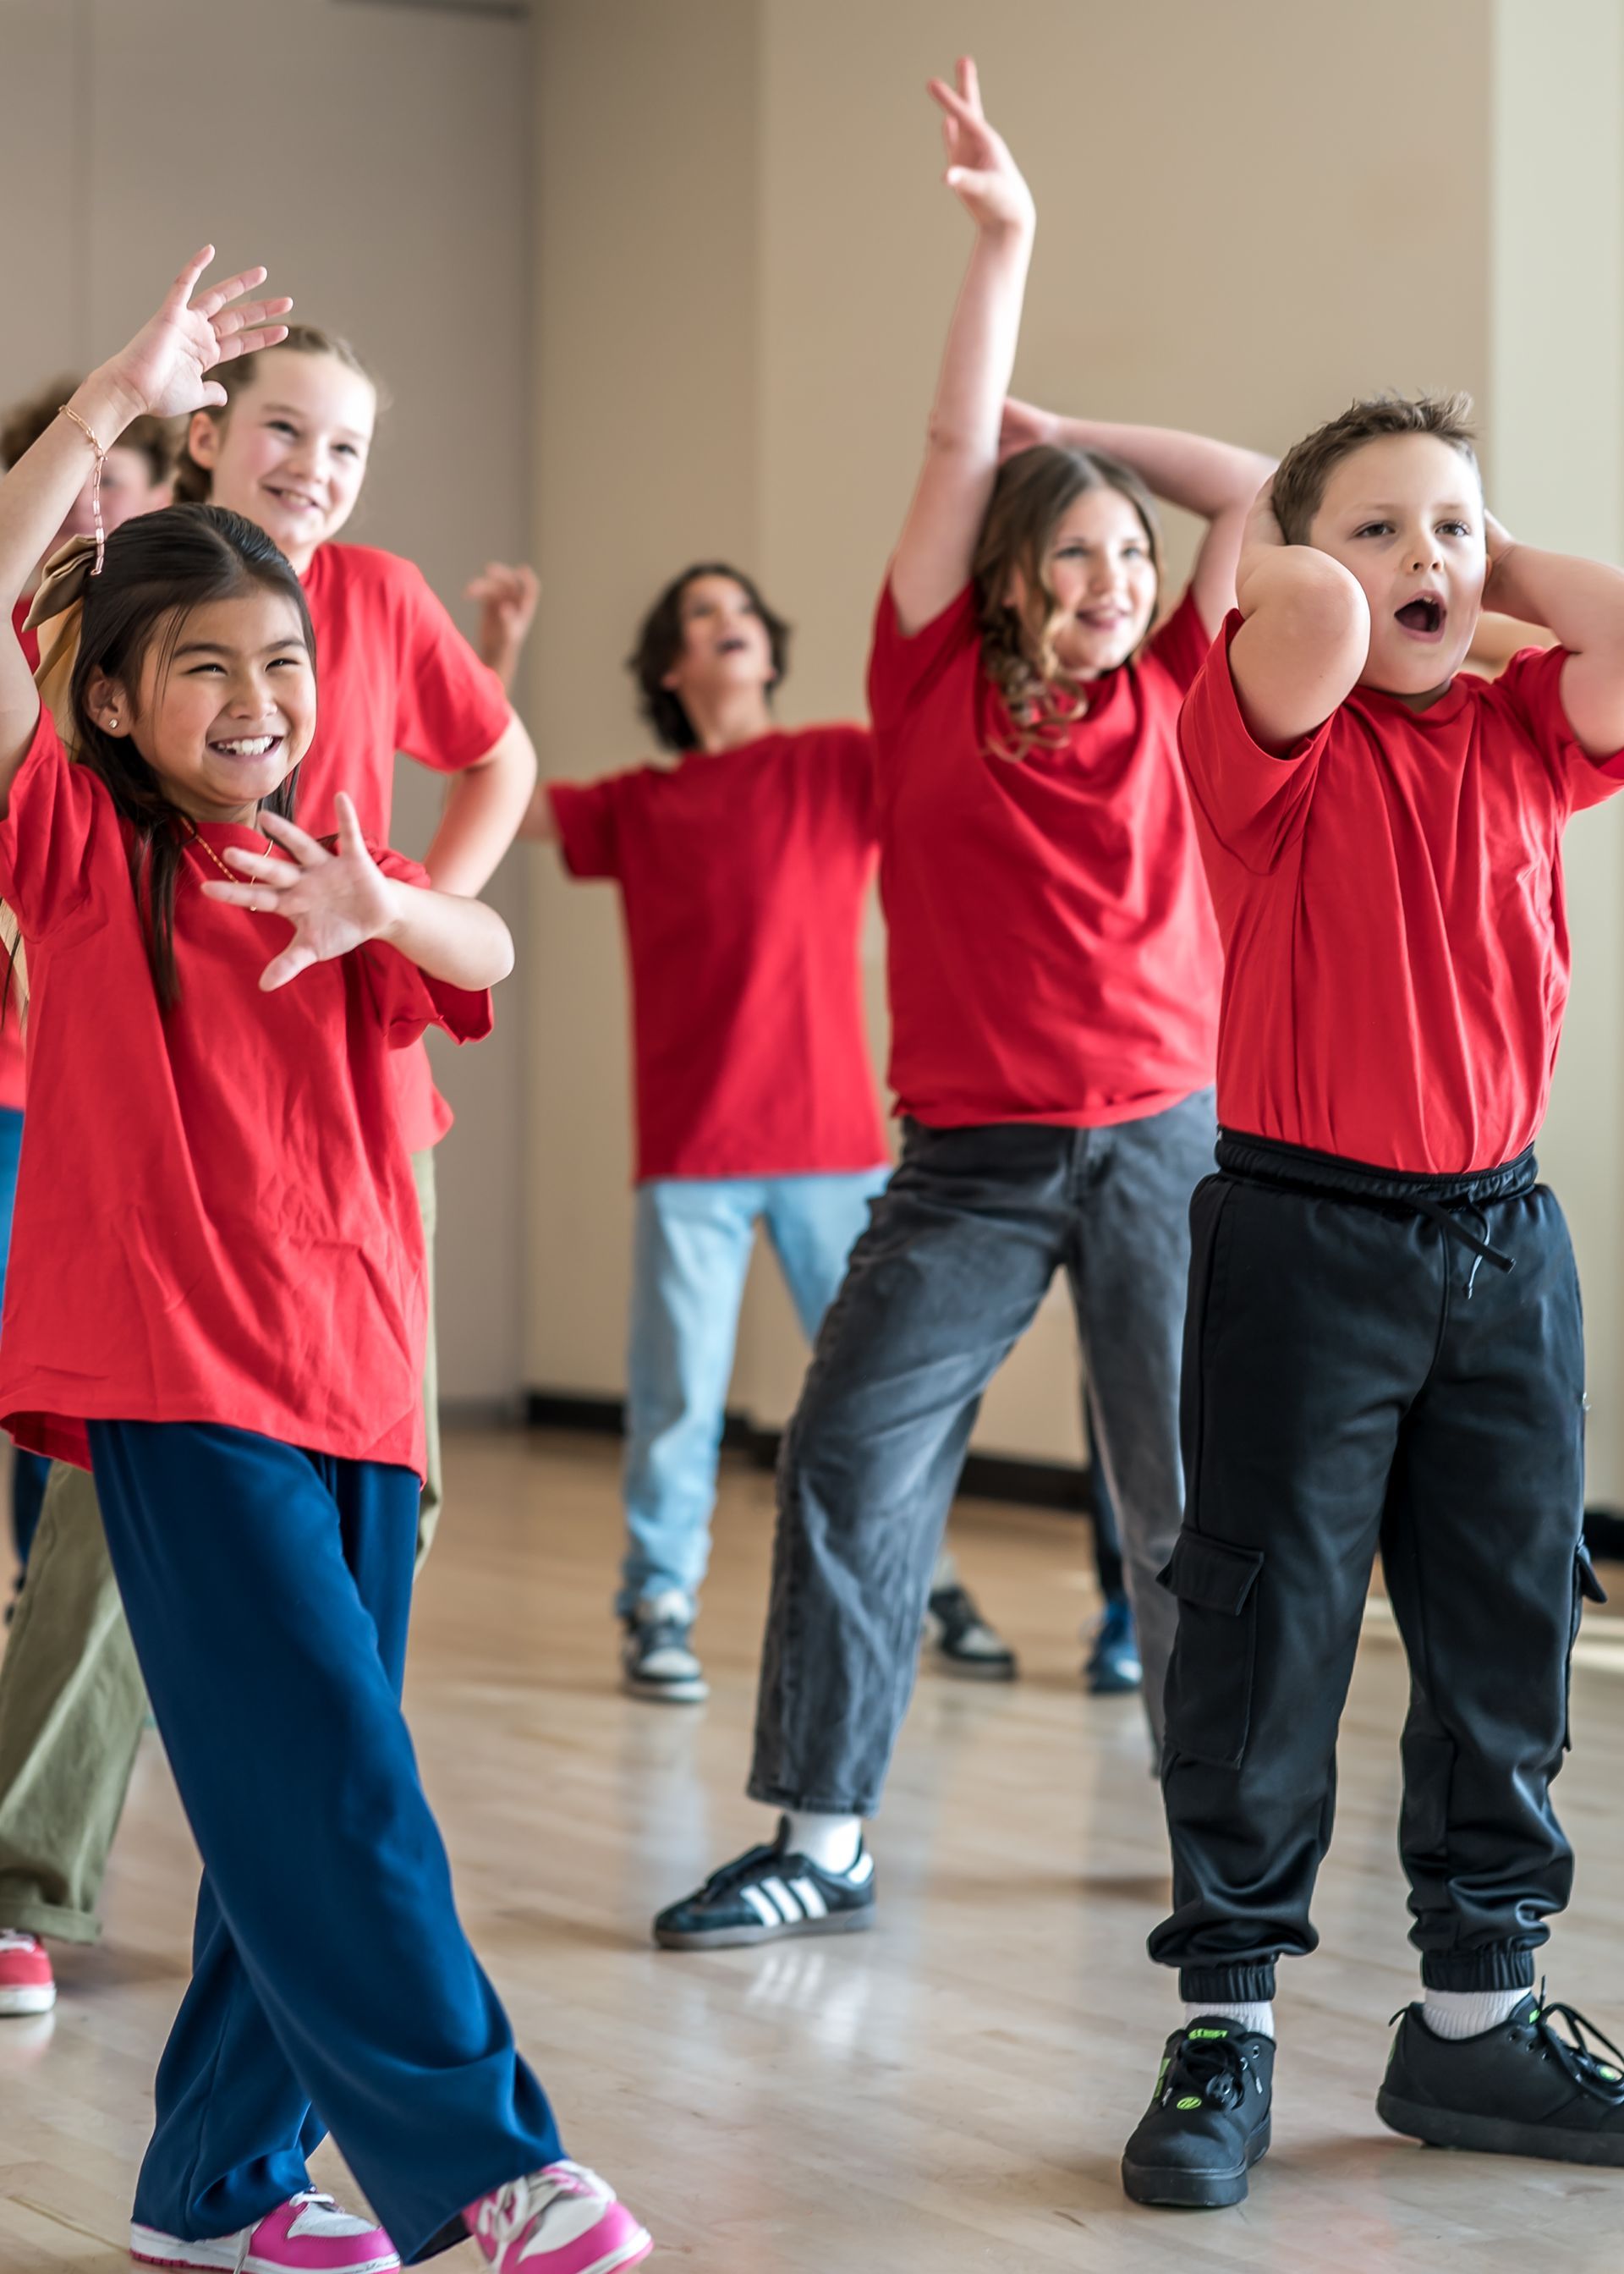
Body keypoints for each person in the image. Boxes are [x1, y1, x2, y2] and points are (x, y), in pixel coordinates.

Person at [0, 248, 650, 2274]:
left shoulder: (340, 869)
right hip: (181, 1383)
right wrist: (110, 405)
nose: (259, 701)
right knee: (343, 1788)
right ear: (110, 696)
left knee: (299, 1794)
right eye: (203, 668)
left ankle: (213, 2190)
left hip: (355, 1372)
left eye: (282, 668)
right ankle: (490, 2166)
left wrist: (401, 902)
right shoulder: (84, 850)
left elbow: (498, 943)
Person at [651, 57, 1270, 1949]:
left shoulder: (1178, 686)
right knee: (850, 1453)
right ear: (1001, 578)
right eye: (1069, 550)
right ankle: (822, 1838)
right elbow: (945, 452)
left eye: (1127, 557)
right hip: (978, 1156)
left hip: (1168, 1134)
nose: (1110, 574)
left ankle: (1220, 1847)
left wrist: (1084, 434)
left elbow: (1257, 489)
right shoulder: (922, 673)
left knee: (1184, 1507)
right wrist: (1006, 243)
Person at [0, 321, 540, 2020]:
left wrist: (390, 900)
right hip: (177, 1138)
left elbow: (492, 853)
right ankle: (31, 1868)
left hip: (354, 1100)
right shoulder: (98, 759)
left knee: (371, 1534)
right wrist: (106, 401)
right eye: (285, 431)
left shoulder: (375, 610)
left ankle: (279, 1949)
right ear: (213, 438)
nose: (316, 468)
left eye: (349, 446)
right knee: (151, 1522)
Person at [1120, 394, 1624, 2212]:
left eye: (1462, 525)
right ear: (1293, 562)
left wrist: (1474, 582)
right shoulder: (1261, 736)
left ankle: (1479, 2019)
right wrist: (1364, 571)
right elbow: (1317, 619)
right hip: (1305, 1242)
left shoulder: (1523, 735)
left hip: (1502, 1244)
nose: (1429, 559)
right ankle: (1228, 2028)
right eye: (1385, 526)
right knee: (1268, 1632)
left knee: (1505, 1625)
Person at [526, 560, 1015, 1700]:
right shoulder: (637, 807)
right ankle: (657, 1602)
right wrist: (497, 651)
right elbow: (495, 797)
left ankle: (929, 1577)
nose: (729, 625)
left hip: (832, 1140)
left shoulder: (837, 763)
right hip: (692, 1152)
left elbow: (950, 745)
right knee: (681, 1398)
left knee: (884, 1388)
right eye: (702, 614)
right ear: (671, 666)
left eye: (743, 612)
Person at [0, 383, 175, 1587]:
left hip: (93, 1065)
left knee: (58, 1351)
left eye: (125, 468)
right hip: (21, 1056)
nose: (98, 493)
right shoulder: (21, 646)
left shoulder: (173, 655)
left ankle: (46, 1590)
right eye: (78, 470)